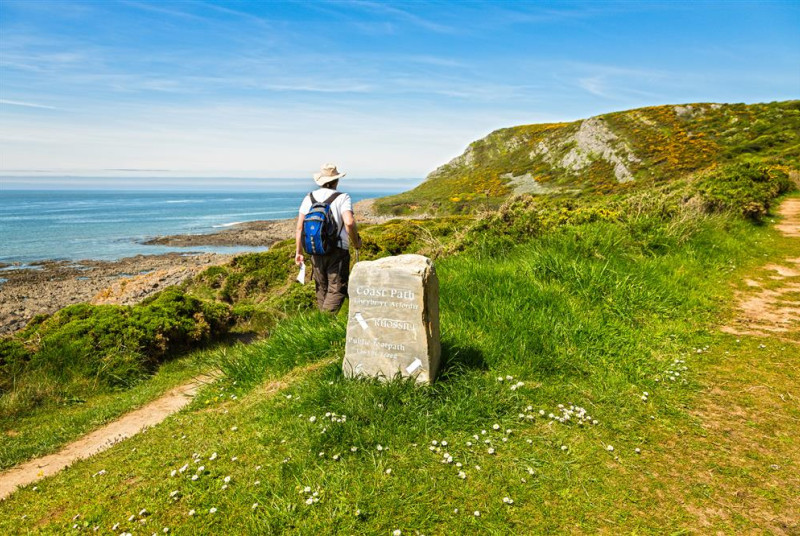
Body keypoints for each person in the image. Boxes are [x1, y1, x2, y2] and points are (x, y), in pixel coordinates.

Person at [295, 163, 362, 313]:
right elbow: (349, 223)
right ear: (337, 180)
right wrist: (356, 242)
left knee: (321, 288)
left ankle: (321, 324)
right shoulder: (343, 197)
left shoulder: (309, 197)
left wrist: (298, 252)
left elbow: (300, 227)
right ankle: (325, 323)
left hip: (315, 249)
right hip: (337, 251)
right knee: (337, 288)